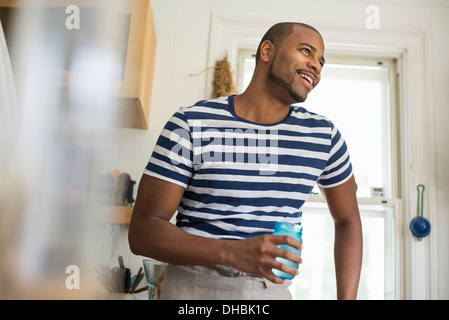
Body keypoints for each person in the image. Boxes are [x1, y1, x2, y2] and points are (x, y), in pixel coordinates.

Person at [128, 22, 363, 300]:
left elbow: (348, 221)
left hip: (271, 291)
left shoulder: (325, 138)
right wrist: (233, 252)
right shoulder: (191, 123)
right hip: (193, 290)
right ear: (267, 51)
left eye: (321, 61)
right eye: (306, 52)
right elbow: (143, 232)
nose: (316, 66)